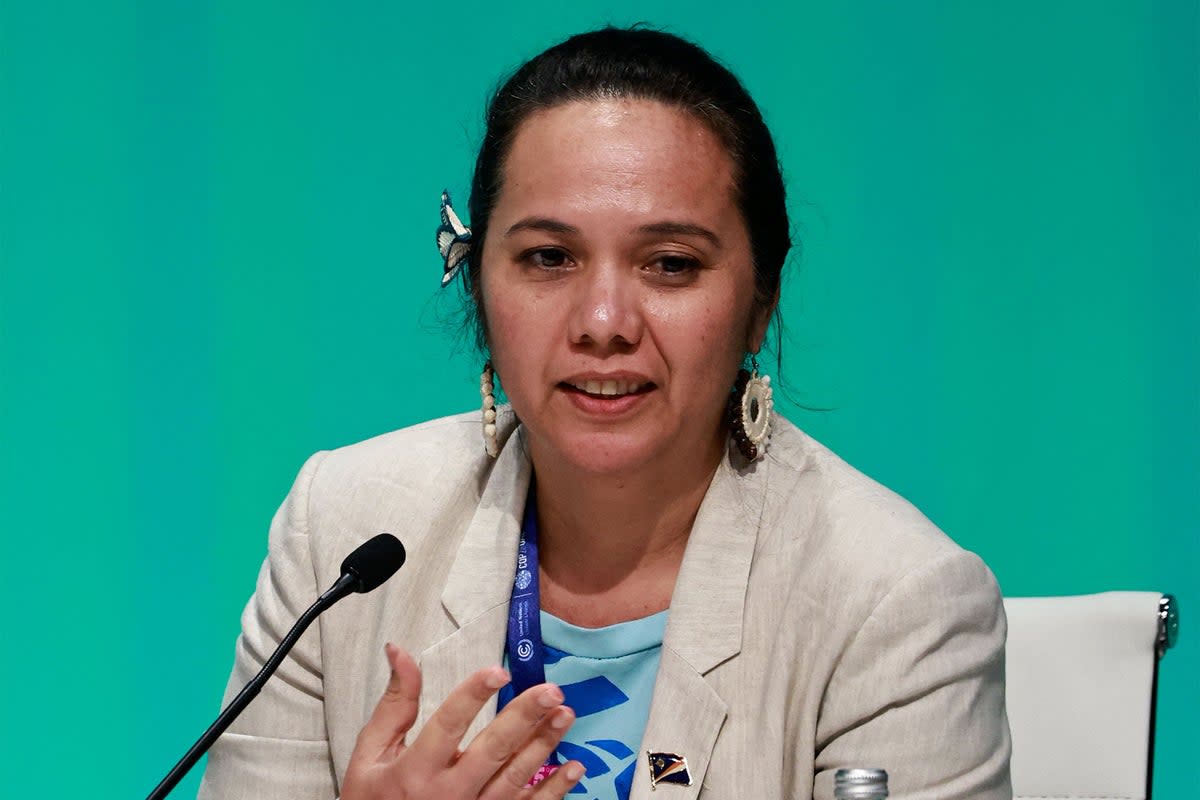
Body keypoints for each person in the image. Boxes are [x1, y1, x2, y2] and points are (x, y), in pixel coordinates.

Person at [197, 27, 1011, 800]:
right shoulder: (344, 532)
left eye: (670, 264)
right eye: (549, 257)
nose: (604, 322)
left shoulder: (894, 603)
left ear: (761, 298)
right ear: (479, 283)